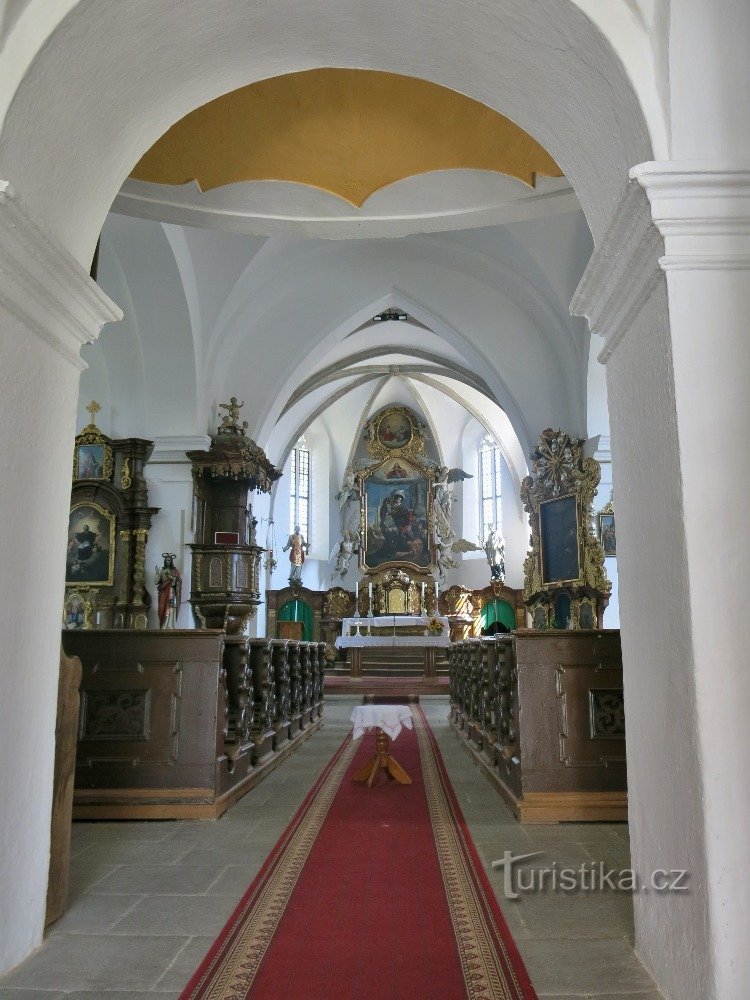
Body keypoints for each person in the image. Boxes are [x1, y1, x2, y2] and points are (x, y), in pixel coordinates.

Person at [155, 553, 182, 629]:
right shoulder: (162, 570)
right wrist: (157, 573)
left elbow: (179, 580)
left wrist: (171, 577)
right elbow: (156, 582)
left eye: (169, 560)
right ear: (164, 561)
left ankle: (170, 625)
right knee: (162, 607)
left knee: (171, 606)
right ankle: (163, 625)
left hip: (171, 591)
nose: (167, 561)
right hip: (163, 591)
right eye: (166, 560)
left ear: (171, 561)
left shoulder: (174, 570)